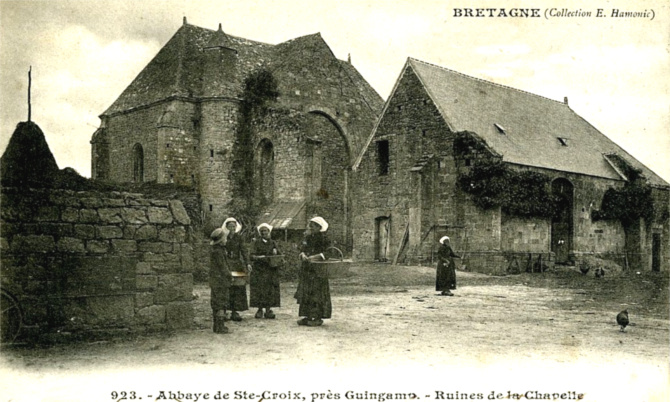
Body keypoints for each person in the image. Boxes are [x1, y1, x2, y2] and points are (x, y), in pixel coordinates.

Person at [295, 216, 332, 327]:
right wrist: (303, 254)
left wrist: (315, 257)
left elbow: (329, 253)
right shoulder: (308, 238)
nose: (311, 227)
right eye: (310, 225)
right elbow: (302, 249)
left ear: (319, 227)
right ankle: (307, 316)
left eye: (313, 226)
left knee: (317, 294)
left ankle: (317, 317)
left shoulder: (325, 239)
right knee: (306, 293)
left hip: (318, 271)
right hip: (307, 270)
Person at [249, 223, 282, 319]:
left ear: (269, 232)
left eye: (266, 231)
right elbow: (251, 256)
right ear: (260, 233)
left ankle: (268, 310)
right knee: (259, 289)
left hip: (271, 269)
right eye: (262, 231)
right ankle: (259, 310)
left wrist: (276, 255)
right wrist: (259, 257)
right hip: (259, 270)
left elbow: (280, 255)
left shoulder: (273, 243)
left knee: (270, 290)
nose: (264, 233)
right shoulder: (255, 243)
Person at [222, 217, 251, 321]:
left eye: (233, 226)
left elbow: (244, 250)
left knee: (238, 287)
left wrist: (247, 263)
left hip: (237, 264)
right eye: (230, 226)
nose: (232, 228)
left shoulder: (239, 238)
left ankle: (235, 312)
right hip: (226, 264)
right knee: (226, 286)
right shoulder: (223, 237)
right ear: (226, 227)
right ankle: (224, 312)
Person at [209, 228, 232, 334]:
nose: (226, 239)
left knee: (216, 302)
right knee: (221, 302)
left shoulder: (216, 250)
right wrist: (229, 275)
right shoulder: (219, 251)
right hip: (220, 280)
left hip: (215, 280)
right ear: (221, 239)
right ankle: (220, 326)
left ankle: (217, 325)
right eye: (225, 237)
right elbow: (223, 266)